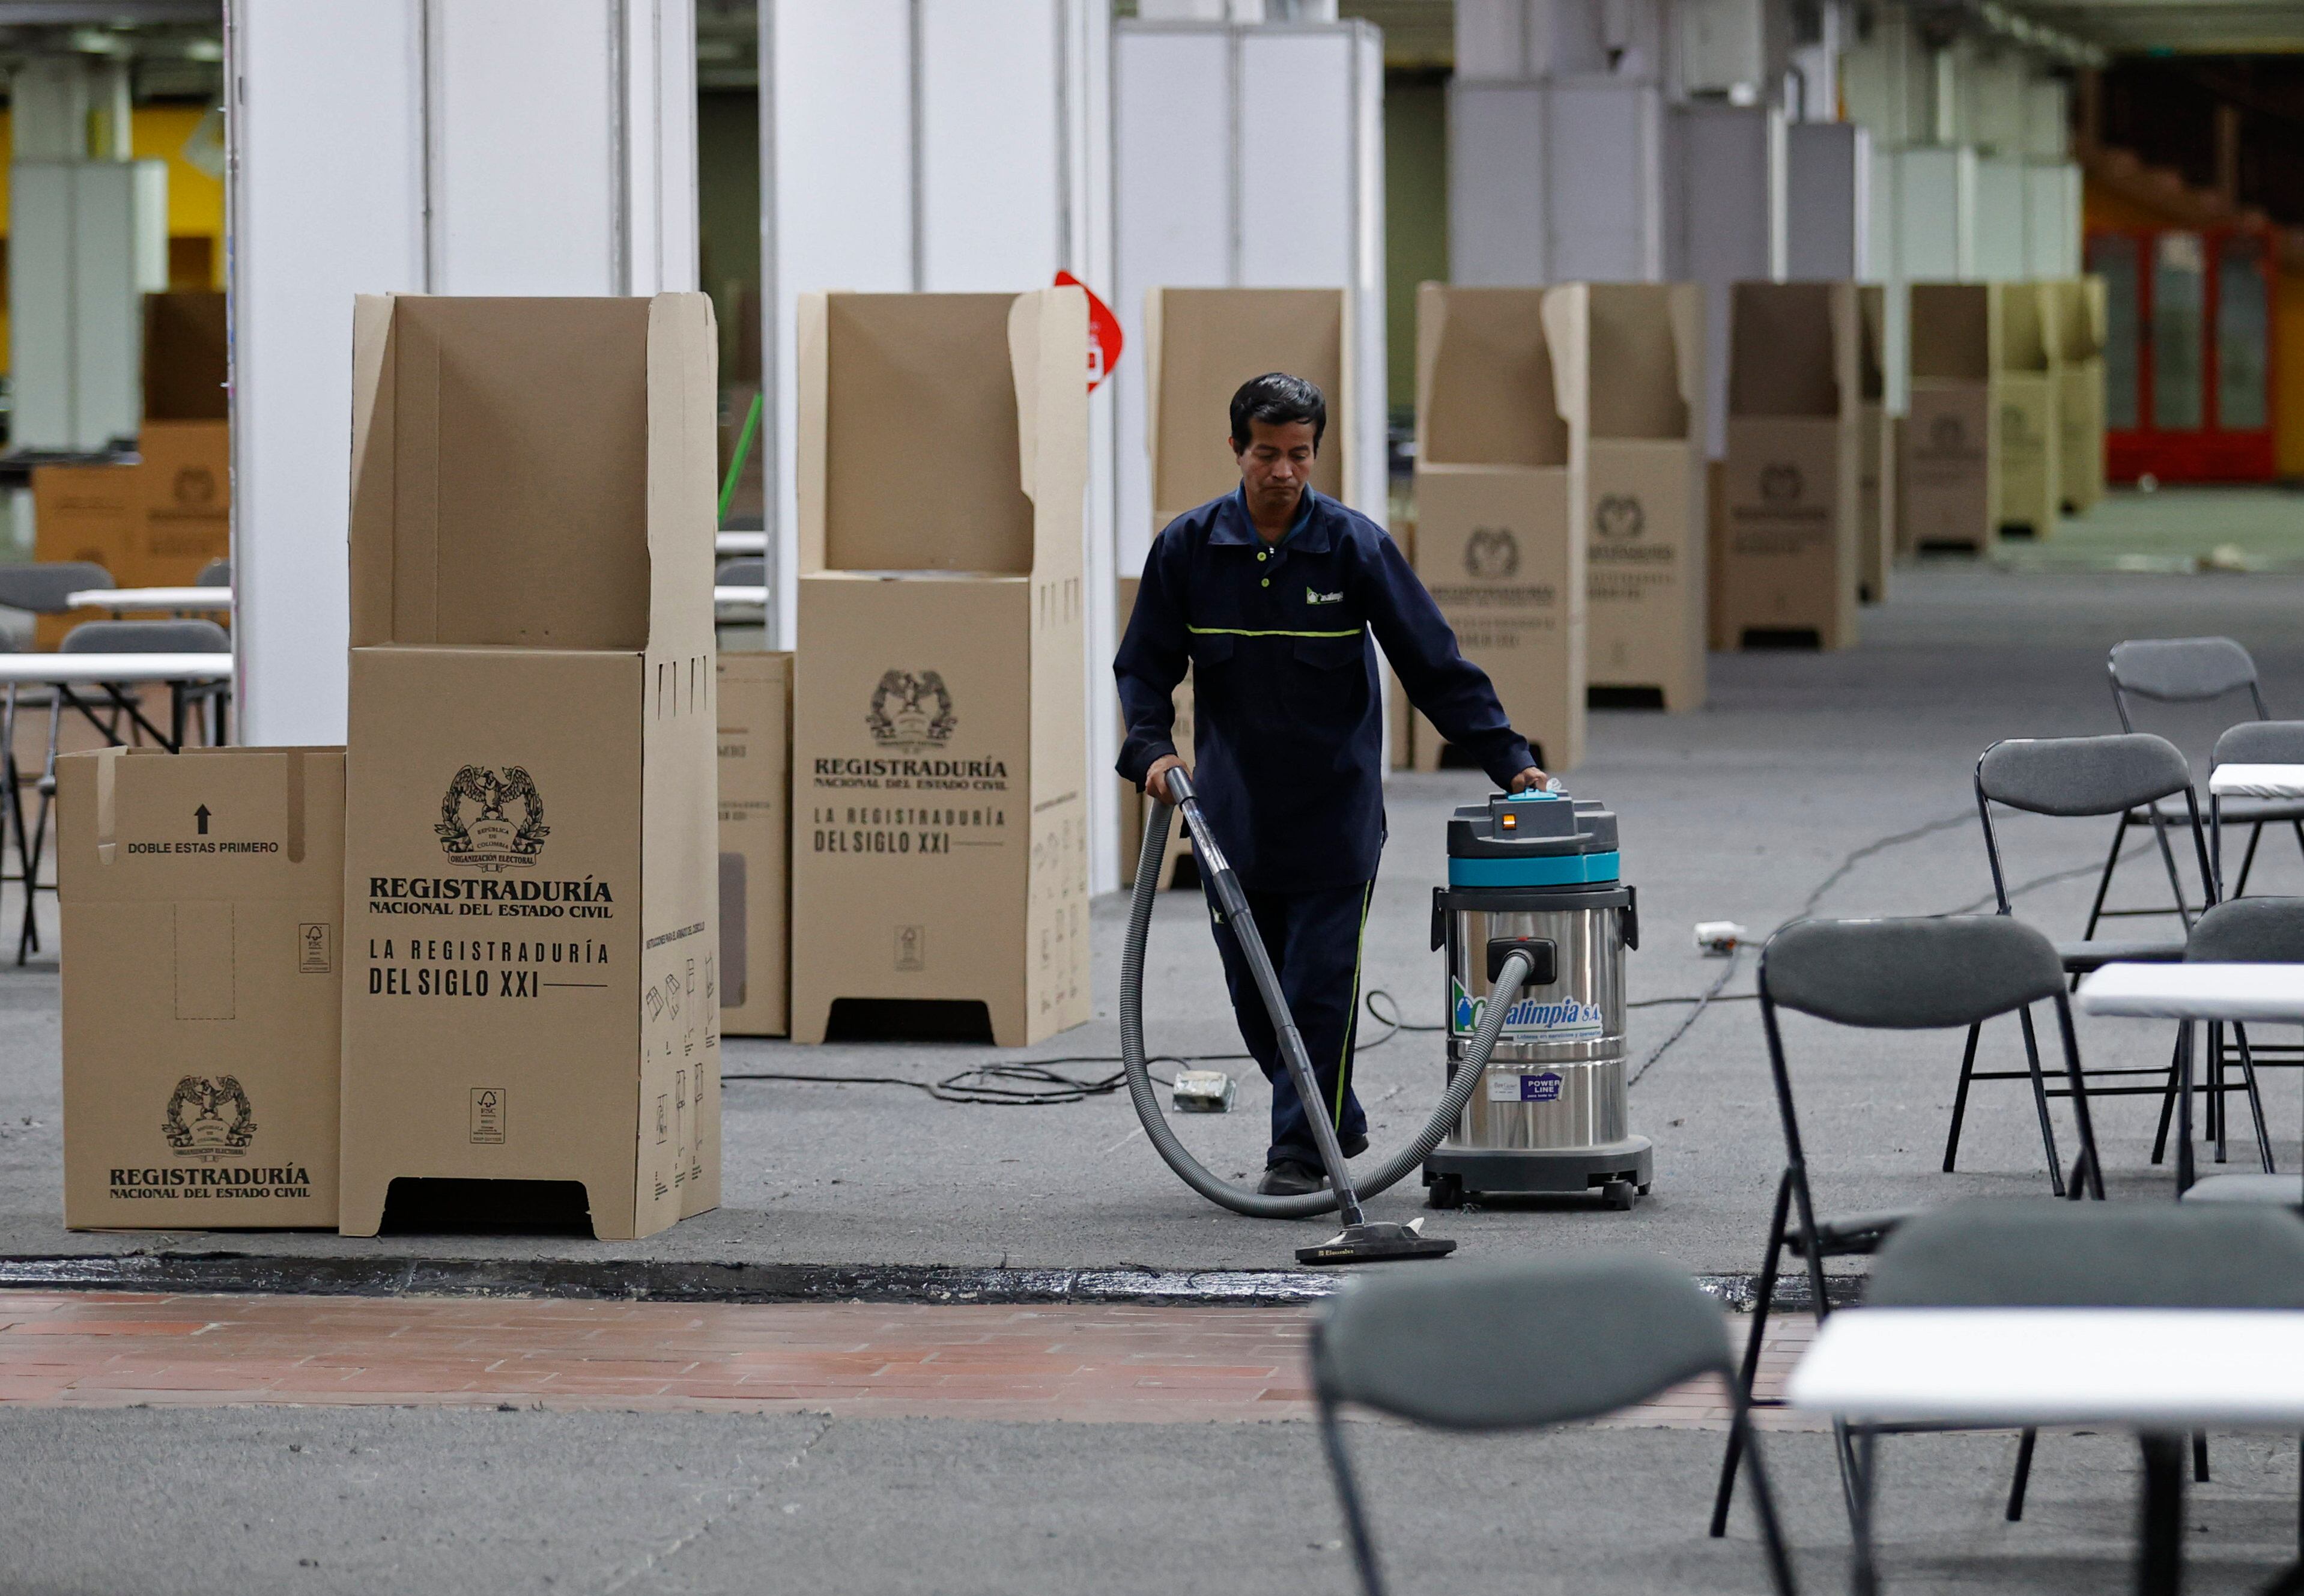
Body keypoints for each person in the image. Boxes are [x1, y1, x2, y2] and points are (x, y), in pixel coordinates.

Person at [1115, 372, 1548, 1199]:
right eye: (1267, 454)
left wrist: (1507, 756)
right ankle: (1330, 1115)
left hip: (1334, 818)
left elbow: (1433, 663)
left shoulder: (1354, 547)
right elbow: (1143, 666)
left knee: (1316, 991)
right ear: (1236, 449)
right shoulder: (1188, 549)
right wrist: (1151, 750)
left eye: (1300, 454)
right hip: (1232, 819)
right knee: (1256, 998)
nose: (1284, 471)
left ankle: (1299, 1154)